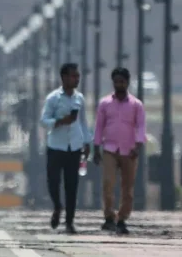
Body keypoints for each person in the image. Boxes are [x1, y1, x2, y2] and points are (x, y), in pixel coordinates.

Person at [92, 67, 146, 234]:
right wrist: (96, 147)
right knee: (108, 183)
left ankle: (122, 219)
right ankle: (109, 217)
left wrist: (138, 146)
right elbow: (99, 126)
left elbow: (141, 126)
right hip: (109, 149)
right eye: (116, 82)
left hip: (129, 151)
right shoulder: (105, 103)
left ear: (127, 82)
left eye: (122, 82)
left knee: (127, 188)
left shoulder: (136, 105)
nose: (119, 85)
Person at [39, 62, 90, 234]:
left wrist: (87, 142)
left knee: (72, 185)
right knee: (53, 181)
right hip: (56, 146)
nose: (76, 79)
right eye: (73, 76)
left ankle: (69, 222)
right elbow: (43, 120)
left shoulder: (79, 98)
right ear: (64, 77)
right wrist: (59, 121)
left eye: (78, 76)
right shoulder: (53, 98)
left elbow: (83, 122)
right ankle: (57, 206)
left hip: (74, 147)